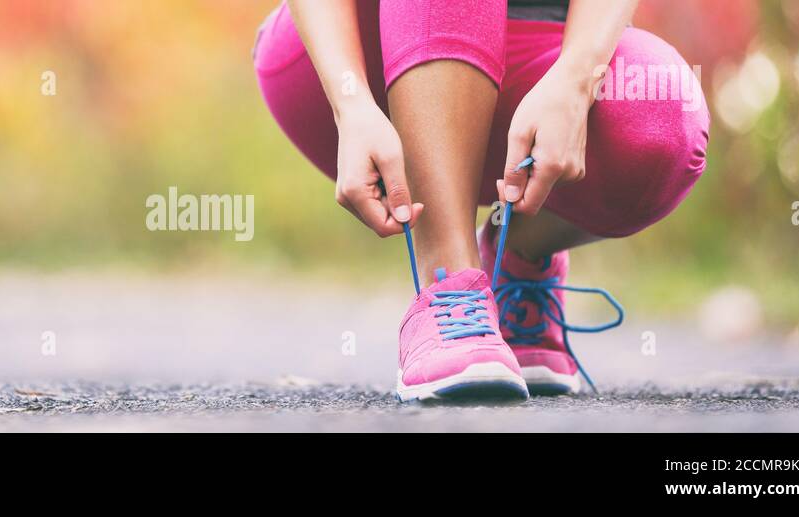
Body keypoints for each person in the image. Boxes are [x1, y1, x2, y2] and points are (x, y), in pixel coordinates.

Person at [253, 0, 709, 400]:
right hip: (360, 52)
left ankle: (518, 251)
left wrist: (575, 80)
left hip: (547, 45)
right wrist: (349, 103)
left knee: (664, 117)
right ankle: (451, 287)